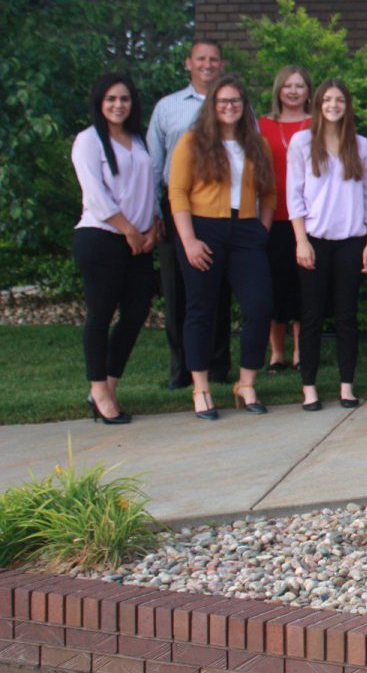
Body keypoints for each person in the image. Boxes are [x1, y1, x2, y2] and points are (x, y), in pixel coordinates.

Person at [167, 76, 276, 420]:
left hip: (246, 231)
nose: (229, 106)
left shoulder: (257, 144)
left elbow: (269, 193)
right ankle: (201, 388)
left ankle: (246, 384)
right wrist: (188, 240)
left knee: (259, 306)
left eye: (236, 101)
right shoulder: (192, 141)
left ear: (244, 106)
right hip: (203, 229)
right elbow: (177, 192)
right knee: (201, 310)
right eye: (223, 101)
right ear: (212, 106)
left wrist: (261, 230)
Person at [71, 74, 158, 424]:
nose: (118, 105)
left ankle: (108, 384)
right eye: (111, 99)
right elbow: (95, 194)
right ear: (100, 103)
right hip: (102, 237)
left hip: (140, 241)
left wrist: (153, 226)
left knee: (136, 312)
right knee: (101, 314)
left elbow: (150, 188)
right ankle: (99, 391)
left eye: (124, 99)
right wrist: (129, 230)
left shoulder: (138, 139)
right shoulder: (89, 141)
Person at [288, 80, 367, 410]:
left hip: (351, 241)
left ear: (347, 106)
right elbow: (294, 195)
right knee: (311, 317)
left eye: (339, 100)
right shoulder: (302, 142)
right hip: (314, 241)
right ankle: (309, 387)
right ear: (317, 104)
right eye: (327, 99)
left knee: (346, 317)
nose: (333, 105)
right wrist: (301, 241)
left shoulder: (360, 145)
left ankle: (346, 387)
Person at [147, 39, 232, 388]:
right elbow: (154, 165)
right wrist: (154, 212)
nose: (207, 65)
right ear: (188, 63)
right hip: (178, 206)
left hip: (223, 209)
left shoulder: (234, 106)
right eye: (200, 59)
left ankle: (217, 365)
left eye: (213, 59)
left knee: (220, 288)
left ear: (221, 65)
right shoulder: (167, 108)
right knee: (178, 289)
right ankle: (181, 368)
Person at [258, 65, 311, 372]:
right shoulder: (261, 125)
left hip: (307, 218)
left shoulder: (317, 123)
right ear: (278, 90)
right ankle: (277, 352)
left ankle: (301, 351)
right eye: (288, 86)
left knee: (303, 284)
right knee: (274, 284)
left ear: (308, 91)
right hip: (272, 215)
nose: (293, 91)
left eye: (299, 86)